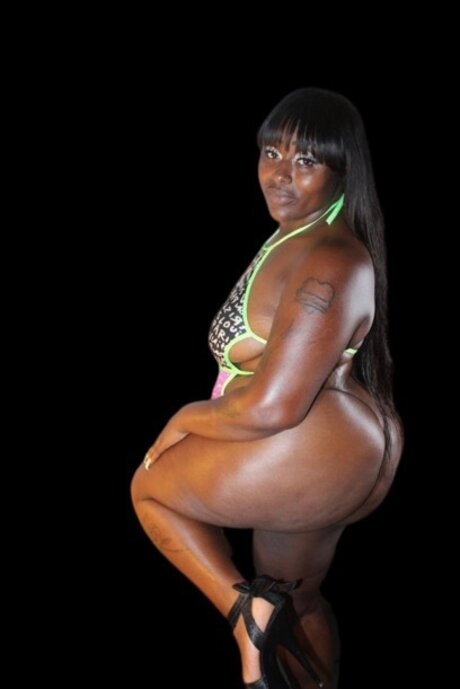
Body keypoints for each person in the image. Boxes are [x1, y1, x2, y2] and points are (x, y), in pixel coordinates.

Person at [131, 87, 403, 689]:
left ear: (342, 171)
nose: (280, 174)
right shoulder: (302, 235)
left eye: (306, 161)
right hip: (331, 451)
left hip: (308, 443)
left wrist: (181, 419)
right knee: (296, 599)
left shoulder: (331, 259)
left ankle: (246, 617)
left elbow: (274, 405)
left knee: (149, 489)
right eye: (271, 153)